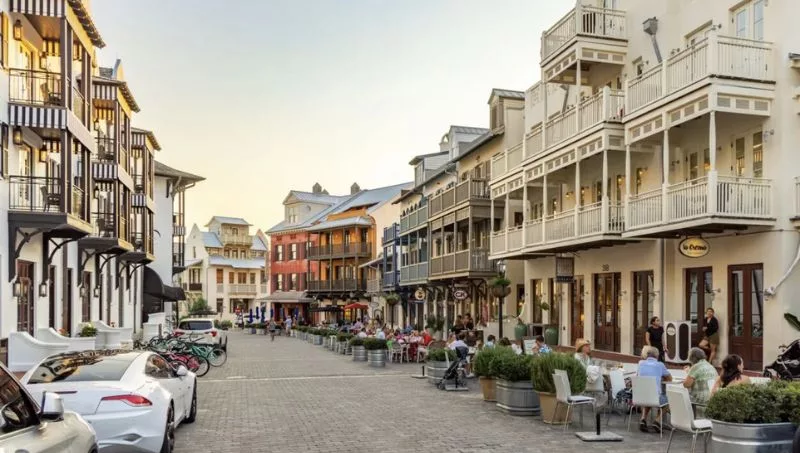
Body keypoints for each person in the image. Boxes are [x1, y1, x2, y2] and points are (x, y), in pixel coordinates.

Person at [637, 346, 672, 433]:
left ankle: (643, 419)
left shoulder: (640, 363)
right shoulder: (660, 365)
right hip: (654, 397)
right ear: (657, 356)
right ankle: (657, 421)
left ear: (647, 355)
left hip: (640, 397)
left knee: (649, 398)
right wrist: (661, 377)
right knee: (668, 402)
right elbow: (670, 379)